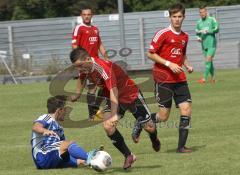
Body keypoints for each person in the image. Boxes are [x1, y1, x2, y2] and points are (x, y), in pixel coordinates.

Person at [69, 47, 160, 169]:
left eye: (80, 65)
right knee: (108, 126)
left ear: (87, 59)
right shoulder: (84, 68)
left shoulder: (102, 67)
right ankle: (129, 155)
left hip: (130, 95)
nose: (79, 69)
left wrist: (113, 114)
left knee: (149, 127)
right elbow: (81, 79)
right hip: (112, 98)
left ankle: (154, 138)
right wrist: (77, 94)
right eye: (76, 67)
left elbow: (114, 90)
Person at [147, 3, 193, 153]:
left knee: (186, 109)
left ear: (184, 17)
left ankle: (181, 147)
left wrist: (187, 65)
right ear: (170, 17)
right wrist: (169, 63)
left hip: (179, 79)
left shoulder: (185, 36)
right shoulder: (163, 33)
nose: (177, 19)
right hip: (163, 79)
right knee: (163, 116)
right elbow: (151, 53)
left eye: (180, 16)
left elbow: (182, 54)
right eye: (174, 17)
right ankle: (142, 121)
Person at [31, 96, 100, 169]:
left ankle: (92, 161)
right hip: (42, 155)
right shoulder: (47, 118)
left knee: (80, 162)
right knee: (69, 143)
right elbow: (36, 127)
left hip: (53, 155)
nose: (66, 112)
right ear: (59, 110)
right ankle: (89, 157)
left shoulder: (59, 127)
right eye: (65, 109)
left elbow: (64, 148)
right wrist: (45, 131)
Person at [72, 7, 108, 119]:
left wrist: (106, 58)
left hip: (96, 61)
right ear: (81, 16)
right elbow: (74, 45)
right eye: (84, 14)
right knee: (93, 87)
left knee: (103, 86)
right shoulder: (79, 28)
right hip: (85, 63)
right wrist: (79, 61)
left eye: (88, 14)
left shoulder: (95, 29)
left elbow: (100, 44)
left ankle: (94, 110)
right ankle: (92, 114)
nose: (86, 16)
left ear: (92, 15)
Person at [196, 5, 219, 84]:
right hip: (204, 45)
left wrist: (208, 31)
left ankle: (204, 79)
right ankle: (213, 78)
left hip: (212, 44)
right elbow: (197, 32)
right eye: (200, 12)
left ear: (206, 12)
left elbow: (217, 28)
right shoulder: (198, 22)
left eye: (203, 12)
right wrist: (198, 38)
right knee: (209, 62)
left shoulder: (212, 19)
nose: (202, 13)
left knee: (208, 60)